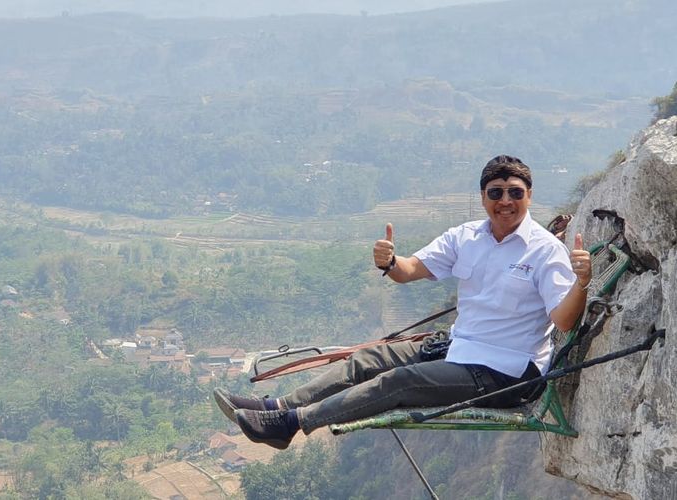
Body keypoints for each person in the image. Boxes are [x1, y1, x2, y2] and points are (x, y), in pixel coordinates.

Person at [213, 155, 592, 450]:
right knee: (368, 360)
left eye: (515, 192)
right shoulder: (467, 237)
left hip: (506, 374)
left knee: (400, 382)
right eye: (496, 192)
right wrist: (390, 262)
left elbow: (563, 320)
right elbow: (410, 270)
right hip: (461, 350)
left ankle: (292, 423)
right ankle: (278, 407)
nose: (505, 201)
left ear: (529, 195)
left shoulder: (546, 251)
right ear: (482, 198)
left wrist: (582, 283)